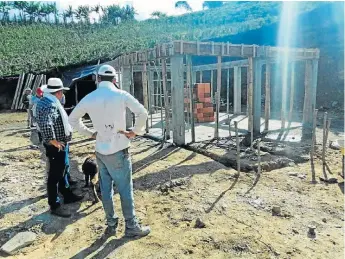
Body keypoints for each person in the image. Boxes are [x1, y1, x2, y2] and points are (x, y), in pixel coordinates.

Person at [69, 64, 150, 237]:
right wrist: (134, 132)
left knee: (106, 190)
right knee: (125, 190)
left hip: (100, 151)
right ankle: (131, 227)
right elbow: (142, 113)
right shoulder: (121, 95)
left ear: (97, 79)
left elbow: (73, 119)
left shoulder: (89, 98)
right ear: (114, 79)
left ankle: (111, 225)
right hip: (119, 149)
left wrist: (90, 134)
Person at [36, 78, 83, 218]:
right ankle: (54, 204)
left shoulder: (49, 101)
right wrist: (53, 141)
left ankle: (67, 195)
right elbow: (45, 124)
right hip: (56, 146)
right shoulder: (49, 104)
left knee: (62, 170)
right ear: (59, 92)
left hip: (60, 143)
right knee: (55, 175)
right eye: (62, 92)